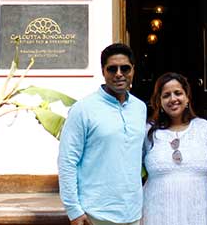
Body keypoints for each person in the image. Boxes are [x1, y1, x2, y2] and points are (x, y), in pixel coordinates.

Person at [58, 43, 147, 225]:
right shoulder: (83, 109)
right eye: (112, 69)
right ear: (103, 72)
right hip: (95, 215)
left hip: (133, 213)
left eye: (125, 68)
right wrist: (73, 210)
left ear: (133, 70)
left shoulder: (140, 108)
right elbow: (67, 161)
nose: (119, 74)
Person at [142, 72, 207, 225]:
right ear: (159, 101)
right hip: (157, 214)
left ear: (187, 97)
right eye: (166, 95)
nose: (173, 99)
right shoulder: (148, 132)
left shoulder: (206, 129)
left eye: (178, 93)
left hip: (198, 213)